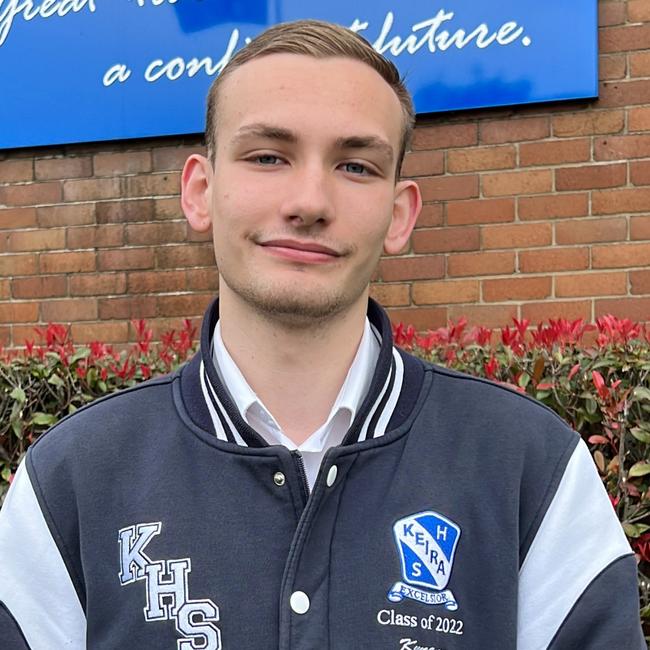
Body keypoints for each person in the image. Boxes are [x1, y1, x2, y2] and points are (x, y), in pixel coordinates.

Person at [0, 19, 644, 650]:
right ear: (200, 191)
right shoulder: (70, 483)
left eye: (356, 166)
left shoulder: (531, 469)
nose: (309, 201)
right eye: (268, 156)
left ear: (399, 214)